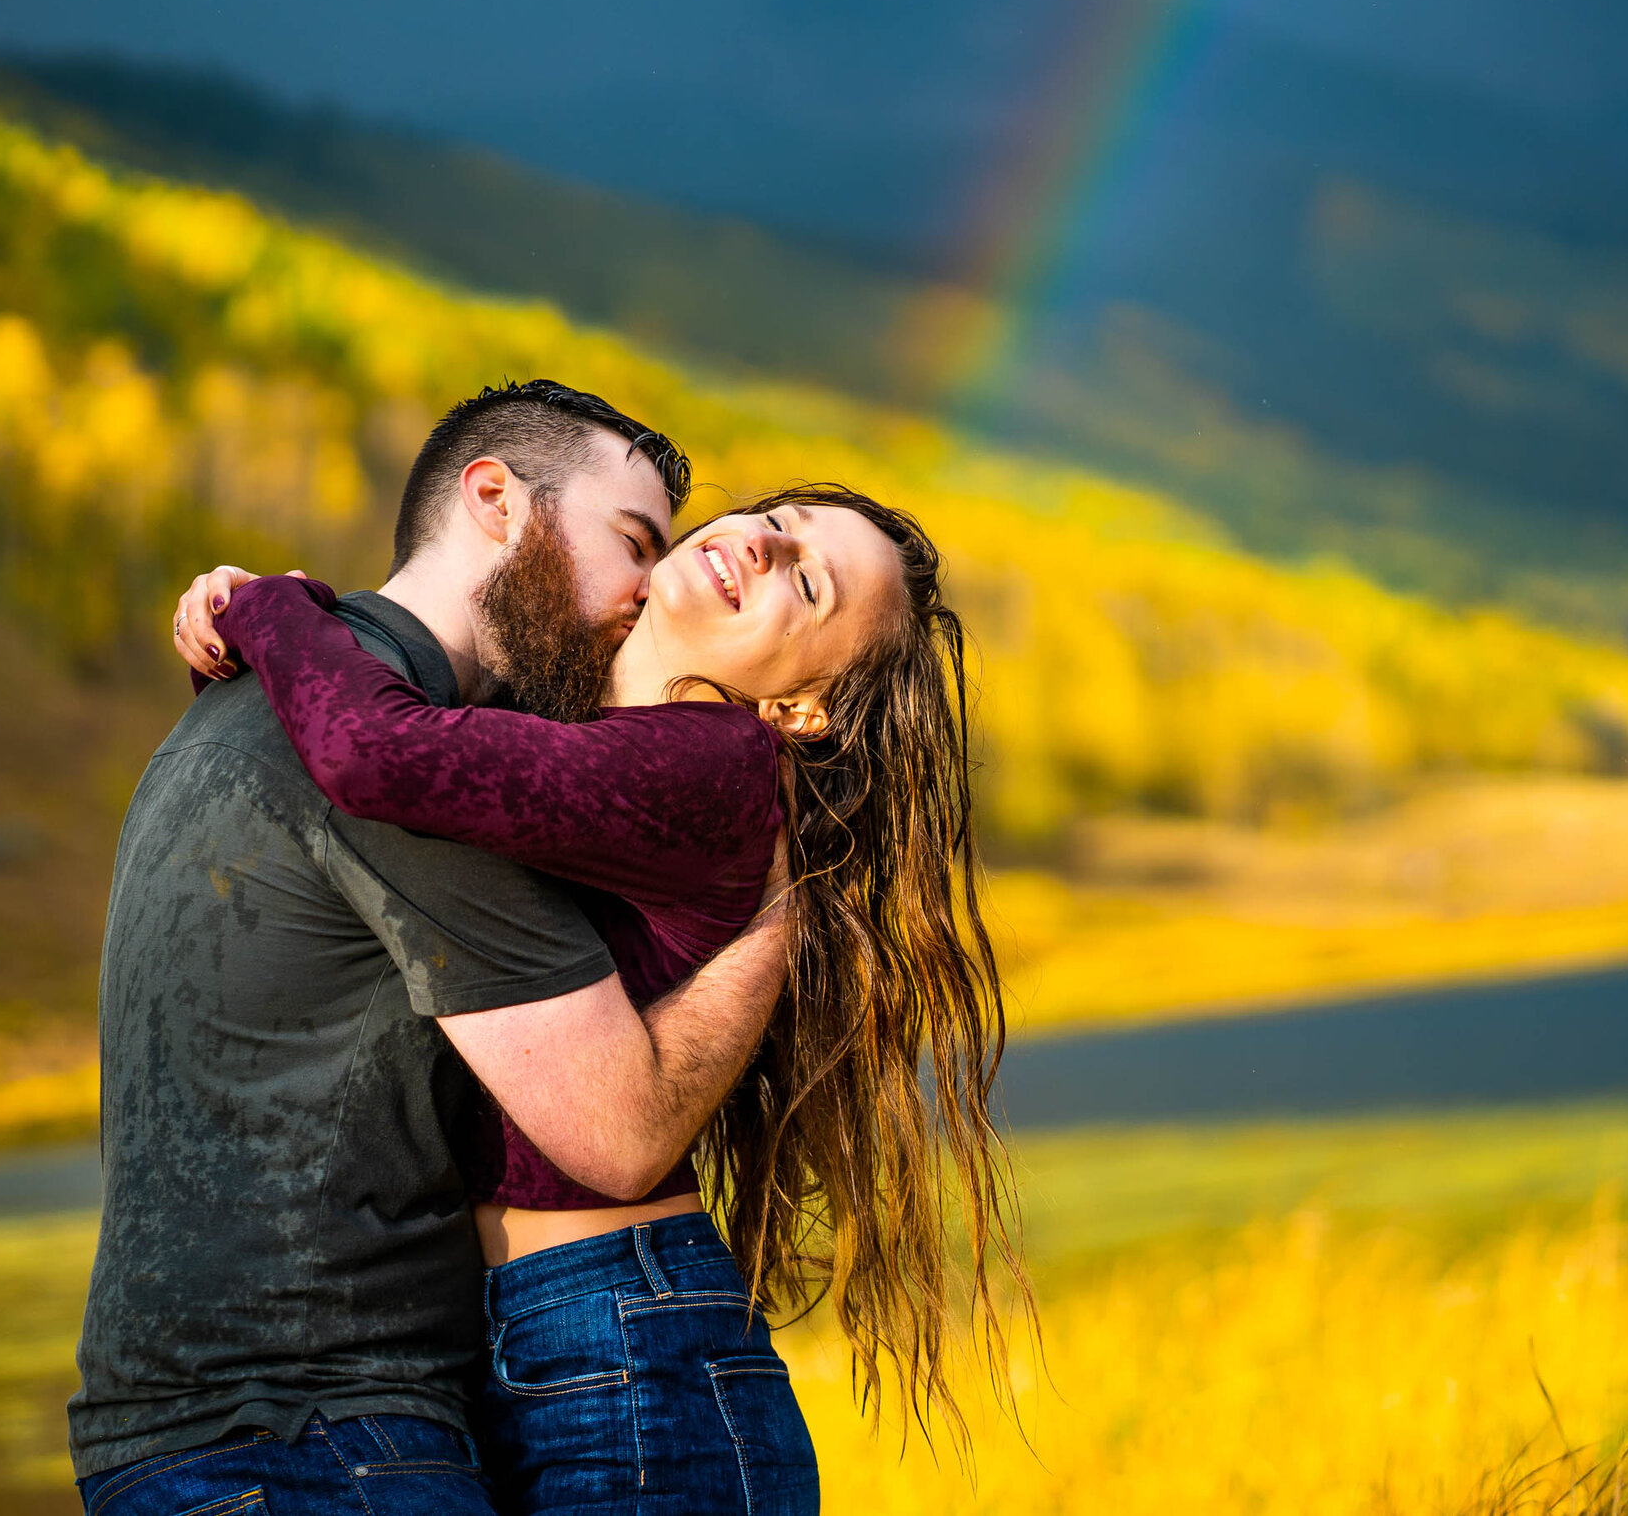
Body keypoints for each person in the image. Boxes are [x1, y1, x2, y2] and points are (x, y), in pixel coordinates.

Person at [171, 473, 1023, 1514]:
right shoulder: (598, 749)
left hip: (624, 1349)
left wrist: (267, 605)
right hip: (559, 1340)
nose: (762, 544)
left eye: (808, 585)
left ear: (803, 706)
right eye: (781, 522)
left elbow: (372, 752)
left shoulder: (714, 763)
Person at [71, 382, 798, 1516]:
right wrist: (775, 923)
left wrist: (265, 604)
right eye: (630, 542)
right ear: (497, 501)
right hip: (316, 1441)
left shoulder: (234, 708)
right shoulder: (414, 772)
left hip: (185, 1433)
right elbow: (619, 1129)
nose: (648, 589)